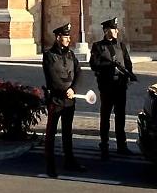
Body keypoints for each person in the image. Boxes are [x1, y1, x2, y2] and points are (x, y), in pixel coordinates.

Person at [88, 16, 137, 159]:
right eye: (113, 29)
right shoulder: (98, 46)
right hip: (107, 86)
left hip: (120, 86)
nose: (116, 31)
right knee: (105, 116)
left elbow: (128, 63)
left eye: (116, 29)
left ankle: (122, 145)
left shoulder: (120, 45)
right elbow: (94, 65)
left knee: (120, 116)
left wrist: (129, 75)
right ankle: (104, 145)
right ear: (106, 31)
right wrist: (109, 66)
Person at [42, 22, 86, 177]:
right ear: (58, 37)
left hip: (69, 100)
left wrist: (73, 89)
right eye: (65, 37)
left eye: (68, 36)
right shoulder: (49, 55)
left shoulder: (70, 54)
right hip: (56, 100)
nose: (68, 39)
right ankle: (50, 165)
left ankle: (69, 161)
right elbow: (52, 77)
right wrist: (64, 90)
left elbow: (79, 72)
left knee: (68, 132)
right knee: (51, 133)